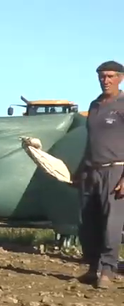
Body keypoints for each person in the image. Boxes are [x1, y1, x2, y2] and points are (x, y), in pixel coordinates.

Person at [72, 60, 124, 289]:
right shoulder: (94, 105)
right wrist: (80, 169)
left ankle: (108, 271)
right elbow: (91, 142)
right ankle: (93, 267)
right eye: (102, 76)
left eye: (111, 76)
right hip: (91, 171)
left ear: (121, 78)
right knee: (88, 222)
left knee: (111, 224)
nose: (106, 80)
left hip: (116, 170)